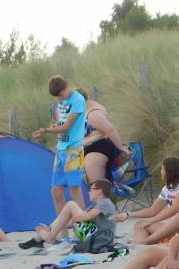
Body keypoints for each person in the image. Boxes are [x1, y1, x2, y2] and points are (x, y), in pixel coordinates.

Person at [32, 77, 88, 212]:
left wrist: (46, 130)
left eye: (60, 95)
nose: (59, 98)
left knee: (74, 188)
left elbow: (67, 126)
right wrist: (54, 125)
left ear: (66, 87)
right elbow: (60, 121)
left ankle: (83, 223)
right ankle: (63, 224)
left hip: (74, 150)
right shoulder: (61, 100)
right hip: (61, 149)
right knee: (56, 190)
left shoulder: (78, 100)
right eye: (57, 96)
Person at [127, 159, 179, 246]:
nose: (161, 171)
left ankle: (146, 241)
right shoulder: (167, 188)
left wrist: (151, 221)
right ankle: (141, 245)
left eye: (162, 168)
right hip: (177, 228)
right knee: (140, 224)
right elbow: (153, 210)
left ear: (169, 171)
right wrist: (127, 215)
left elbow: (175, 208)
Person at [29, 178, 117, 249]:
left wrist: (74, 216)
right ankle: (49, 234)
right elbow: (70, 222)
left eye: (91, 189)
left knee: (71, 205)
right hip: (95, 238)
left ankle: (49, 237)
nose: (89, 192)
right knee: (67, 214)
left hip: (99, 240)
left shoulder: (105, 203)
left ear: (99, 191)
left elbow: (86, 217)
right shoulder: (95, 205)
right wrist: (51, 228)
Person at [82, 99, 126, 186]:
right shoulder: (81, 114)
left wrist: (121, 148)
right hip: (91, 149)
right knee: (98, 186)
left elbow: (110, 130)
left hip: (96, 151)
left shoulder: (93, 113)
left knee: (97, 187)